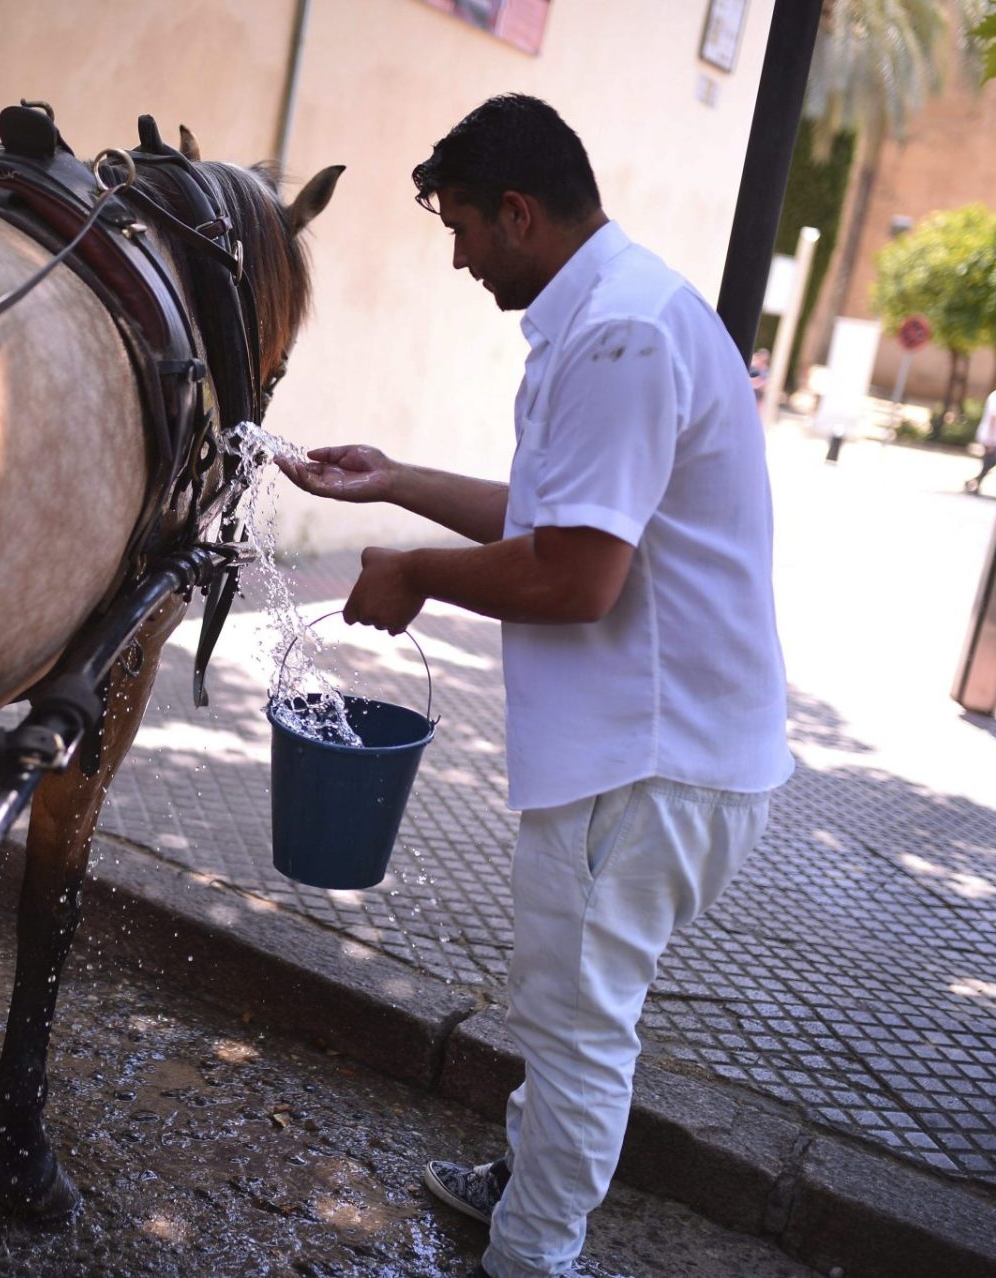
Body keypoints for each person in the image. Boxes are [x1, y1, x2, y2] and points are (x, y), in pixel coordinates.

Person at [277, 94, 793, 1278]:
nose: (456, 257)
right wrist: (396, 482)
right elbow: (558, 517)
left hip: (645, 762)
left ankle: (533, 1255)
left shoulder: (620, 335)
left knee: (576, 1034)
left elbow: (574, 577)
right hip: (660, 754)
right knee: (570, 1007)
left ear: (518, 212)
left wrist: (415, 576)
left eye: (461, 227)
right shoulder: (618, 312)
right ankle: (524, 1190)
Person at [967, 376, 996, 493]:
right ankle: (974, 483)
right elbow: (993, 417)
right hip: (991, 436)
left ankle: (975, 483)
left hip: (995, 436)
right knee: (991, 460)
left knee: (990, 461)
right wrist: (992, 439)